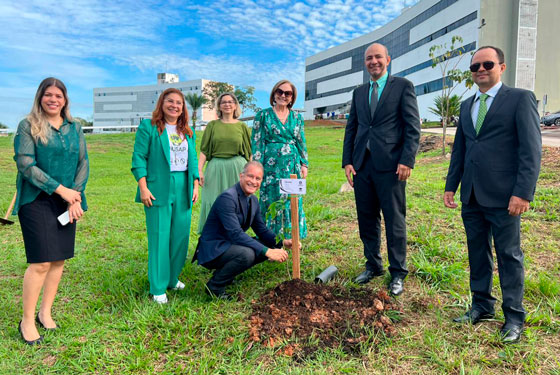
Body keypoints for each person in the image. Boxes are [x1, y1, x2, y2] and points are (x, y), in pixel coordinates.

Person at [444, 46, 542, 343]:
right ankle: (482, 305)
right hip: (471, 195)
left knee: (509, 255)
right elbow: (460, 149)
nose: (480, 69)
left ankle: (514, 317)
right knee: (477, 253)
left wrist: (523, 193)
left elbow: (530, 150)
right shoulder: (466, 104)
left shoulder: (520, 99)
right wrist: (451, 185)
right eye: (475, 67)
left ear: (502, 66)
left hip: (505, 197)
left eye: (487, 64)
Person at [13, 77, 89, 345]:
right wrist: (61, 190)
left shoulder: (75, 127)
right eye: (48, 95)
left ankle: (45, 313)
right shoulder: (28, 126)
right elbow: (26, 165)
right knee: (41, 261)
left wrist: (74, 197)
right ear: (40, 97)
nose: (53, 99)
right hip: (37, 199)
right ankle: (26, 320)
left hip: (68, 201)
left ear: (65, 99)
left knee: (58, 260)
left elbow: (83, 162)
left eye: (58, 95)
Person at [342, 43, 421, 296]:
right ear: (364, 63)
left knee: (394, 220)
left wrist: (407, 160)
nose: (373, 61)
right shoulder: (359, 92)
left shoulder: (403, 86)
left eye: (377, 57)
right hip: (362, 166)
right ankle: (373, 265)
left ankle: (397, 272)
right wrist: (347, 161)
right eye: (368, 58)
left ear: (388, 59)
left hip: (391, 167)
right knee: (366, 219)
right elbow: (352, 128)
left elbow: (412, 127)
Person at [131, 88, 200, 304]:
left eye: (179, 103)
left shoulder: (187, 131)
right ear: (162, 104)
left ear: (183, 108)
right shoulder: (149, 127)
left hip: (184, 185)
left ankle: (172, 278)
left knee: (180, 235)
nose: (174, 105)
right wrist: (143, 187)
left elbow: (194, 159)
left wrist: (195, 184)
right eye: (170, 101)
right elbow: (139, 157)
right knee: (160, 236)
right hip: (158, 186)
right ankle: (158, 287)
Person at [193, 161, 296, 300]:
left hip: (229, 244)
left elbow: (261, 230)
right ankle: (215, 286)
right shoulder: (228, 198)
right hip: (213, 248)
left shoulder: (252, 200)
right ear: (241, 176)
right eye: (250, 176)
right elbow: (235, 234)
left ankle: (226, 273)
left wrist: (282, 243)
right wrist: (268, 252)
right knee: (247, 254)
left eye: (258, 178)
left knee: (264, 245)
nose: (253, 181)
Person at [251, 80, 308, 240]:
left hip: (292, 166)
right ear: (274, 94)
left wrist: (304, 163)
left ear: (292, 97)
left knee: (292, 200)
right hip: (269, 167)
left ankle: (292, 238)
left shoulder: (297, 117)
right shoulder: (262, 115)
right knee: (270, 199)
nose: (283, 95)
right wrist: (257, 168)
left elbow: (300, 141)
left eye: (287, 93)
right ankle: (270, 240)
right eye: (279, 92)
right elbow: (257, 142)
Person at [197, 92, 251, 232]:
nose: (227, 104)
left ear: (235, 106)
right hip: (215, 167)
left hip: (237, 168)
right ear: (219, 106)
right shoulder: (212, 125)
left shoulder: (242, 126)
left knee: (237, 203)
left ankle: (236, 235)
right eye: (223, 102)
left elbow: (249, 152)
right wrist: (199, 171)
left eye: (230, 102)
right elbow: (204, 150)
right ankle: (211, 236)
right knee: (212, 200)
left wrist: (252, 173)